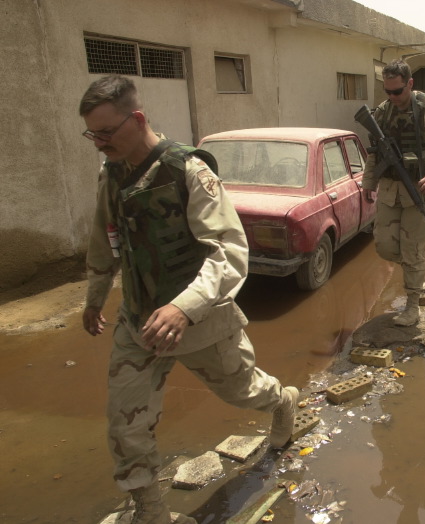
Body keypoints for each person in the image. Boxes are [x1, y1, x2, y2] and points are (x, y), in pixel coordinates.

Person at [80, 75, 300, 524]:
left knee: (243, 391)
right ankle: (151, 510)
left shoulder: (190, 171)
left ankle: (283, 402)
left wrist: (185, 306)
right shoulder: (112, 173)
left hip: (201, 320)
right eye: (92, 134)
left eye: (106, 132)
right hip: (139, 321)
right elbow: (104, 240)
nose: (99, 143)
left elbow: (231, 250)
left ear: (137, 118)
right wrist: (94, 298)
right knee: (126, 421)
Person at [363, 59, 425, 327]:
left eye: (398, 91)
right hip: (391, 191)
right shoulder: (383, 112)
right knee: (384, 245)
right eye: (388, 92)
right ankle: (415, 273)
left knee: (413, 249)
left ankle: (412, 305)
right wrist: (368, 183)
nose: (393, 97)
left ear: (410, 84)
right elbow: (375, 151)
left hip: (421, 192)